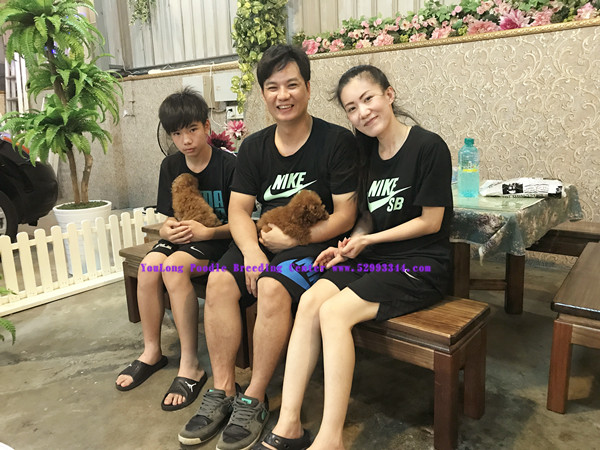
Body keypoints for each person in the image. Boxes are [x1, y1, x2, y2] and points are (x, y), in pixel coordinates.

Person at [254, 64, 453, 450]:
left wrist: (369, 240)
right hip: (376, 259)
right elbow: (366, 218)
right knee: (310, 302)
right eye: (351, 108)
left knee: (333, 313)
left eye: (368, 99)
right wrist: (349, 246)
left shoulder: (428, 147)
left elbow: (431, 222)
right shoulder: (367, 153)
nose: (362, 112)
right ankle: (289, 422)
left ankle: (331, 438)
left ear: (389, 95)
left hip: (420, 263)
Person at [178, 45, 358, 450]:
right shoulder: (255, 147)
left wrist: (295, 239)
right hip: (262, 241)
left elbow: (346, 215)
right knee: (220, 283)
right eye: (273, 87)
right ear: (263, 93)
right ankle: (224, 390)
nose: (283, 95)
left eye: (292, 85)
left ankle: (255, 397)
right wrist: (254, 253)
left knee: (273, 287)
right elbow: (239, 210)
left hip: (313, 243)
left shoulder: (336, 141)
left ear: (307, 87)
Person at [115, 87, 236, 412]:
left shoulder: (228, 165)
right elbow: (170, 215)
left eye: (192, 130)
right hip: (183, 236)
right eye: (177, 134)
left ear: (207, 126)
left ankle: (190, 364)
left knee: (172, 268)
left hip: (218, 239)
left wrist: (208, 231)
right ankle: (152, 351)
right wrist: (167, 227)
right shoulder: (170, 165)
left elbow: (241, 222)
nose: (186, 140)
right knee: (148, 268)